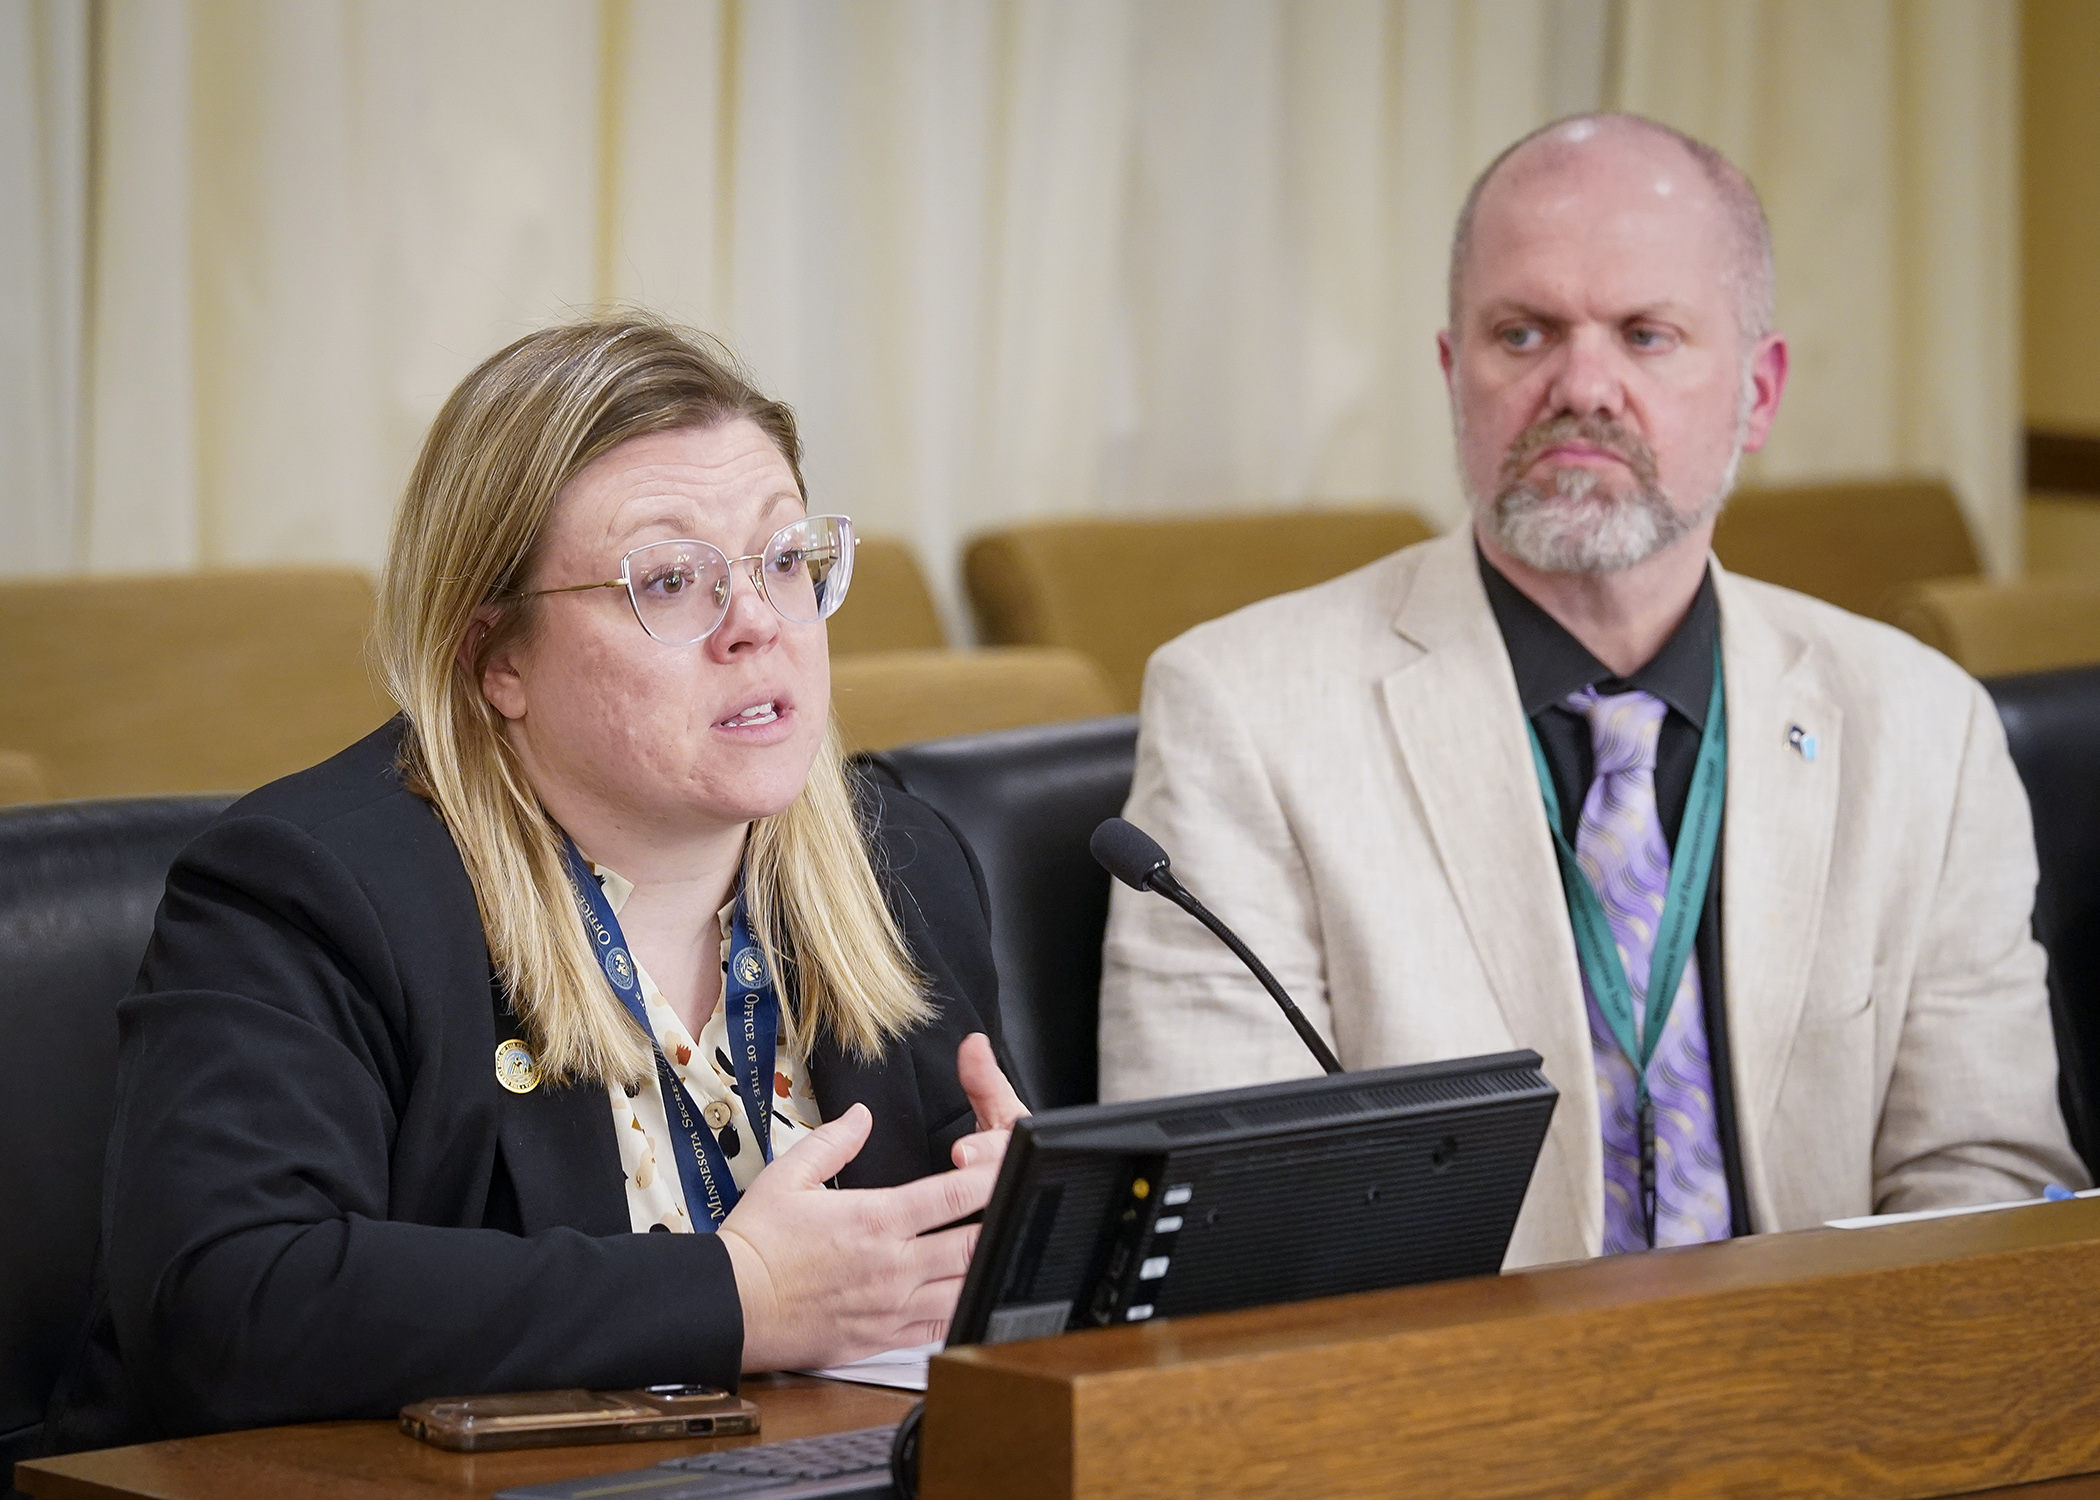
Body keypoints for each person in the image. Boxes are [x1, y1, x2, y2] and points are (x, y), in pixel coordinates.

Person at [1097, 113, 2086, 1267]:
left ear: (1760, 394)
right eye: (1523, 333)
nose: (1583, 386)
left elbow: (1991, 1178)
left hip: (1842, 1404)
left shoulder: (1925, 725)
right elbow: (1227, 1227)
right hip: (1450, 1418)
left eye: (1647, 335)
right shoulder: (1245, 715)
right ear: (1453, 373)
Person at [47, 318, 1028, 1447]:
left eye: (784, 559)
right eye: (670, 579)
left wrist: (1022, 1229)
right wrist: (738, 1293)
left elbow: (947, 1273)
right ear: (495, 659)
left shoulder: (893, 861)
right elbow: (229, 1299)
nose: (758, 623)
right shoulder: (310, 890)